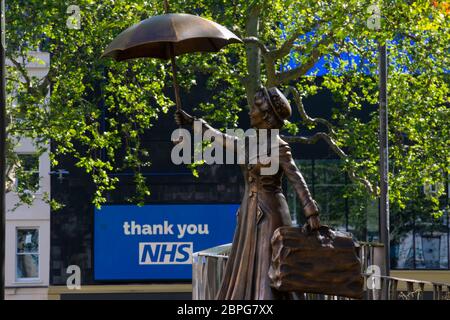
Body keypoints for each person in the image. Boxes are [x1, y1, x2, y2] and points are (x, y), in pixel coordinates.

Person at [175, 86, 320, 300]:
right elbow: (218, 137)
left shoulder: (279, 147)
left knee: (268, 268)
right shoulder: (248, 143)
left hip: (271, 215)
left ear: (266, 115)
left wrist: (311, 211)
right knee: (246, 269)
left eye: (254, 108)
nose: (250, 112)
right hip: (249, 213)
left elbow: (296, 178)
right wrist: (192, 123)